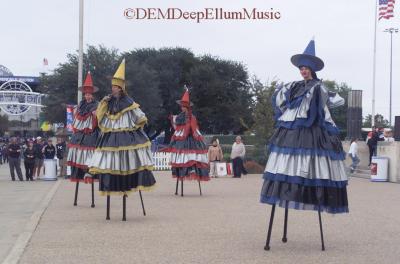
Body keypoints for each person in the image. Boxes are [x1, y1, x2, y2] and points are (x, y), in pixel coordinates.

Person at [260, 39, 349, 250]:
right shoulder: (295, 86)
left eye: (306, 68)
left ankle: (310, 192)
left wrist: (320, 93)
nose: (303, 71)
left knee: (313, 163)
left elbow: (337, 101)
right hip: (293, 128)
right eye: (301, 68)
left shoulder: (319, 88)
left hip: (315, 130)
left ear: (312, 69)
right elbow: (280, 99)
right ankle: (290, 190)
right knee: (288, 158)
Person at [89, 59, 156, 220]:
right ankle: (113, 184)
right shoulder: (108, 101)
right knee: (111, 158)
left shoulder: (128, 102)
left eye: (115, 87)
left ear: (121, 88)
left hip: (126, 133)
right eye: (112, 86)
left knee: (128, 158)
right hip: (111, 133)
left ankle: (128, 184)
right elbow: (101, 116)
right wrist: (103, 104)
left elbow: (140, 116)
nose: (112, 89)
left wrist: (137, 126)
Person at [163, 88, 210, 196]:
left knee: (192, 157)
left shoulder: (191, 117)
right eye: (182, 106)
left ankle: (192, 170)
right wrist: (172, 119)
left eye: (184, 106)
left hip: (191, 140)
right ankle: (184, 172)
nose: (182, 108)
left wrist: (193, 132)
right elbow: (177, 126)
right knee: (181, 159)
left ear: (187, 107)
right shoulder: (180, 117)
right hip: (181, 141)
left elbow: (194, 128)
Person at [66, 72, 100, 207]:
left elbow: (99, 120)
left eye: (89, 93)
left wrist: (96, 116)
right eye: (86, 93)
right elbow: (75, 123)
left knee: (89, 153)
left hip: (91, 134)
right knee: (77, 152)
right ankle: (80, 173)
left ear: (92, 94)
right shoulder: (79, 106)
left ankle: (89, 173)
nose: (88, 95)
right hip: (79, 135)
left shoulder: (97, 105)